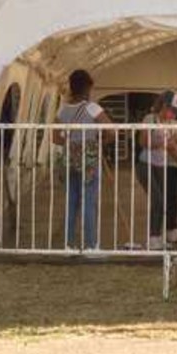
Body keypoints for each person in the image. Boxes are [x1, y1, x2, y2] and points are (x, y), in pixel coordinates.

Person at [52, 69, 112, 251]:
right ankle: (90, 244)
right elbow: (111, 131)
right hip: (89, 158)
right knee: (89, 201)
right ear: (88, 87)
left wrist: (71, 143)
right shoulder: (92, 108)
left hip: (69, 157)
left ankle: (68, 244)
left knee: (72, 201)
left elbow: (55, 137)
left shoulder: (63, 109)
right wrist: (97, 142)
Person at [139, 91, 177, 247]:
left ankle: (159, 236)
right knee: (158, 200)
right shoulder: (150, 119)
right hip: (146, 165)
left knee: (163, 201)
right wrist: (163, 145)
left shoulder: (172, 125)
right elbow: (143, 142)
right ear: (165, 106)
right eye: (173, 110)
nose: (174, 114)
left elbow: (172, 149)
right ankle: (153, 237)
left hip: (162, 165)